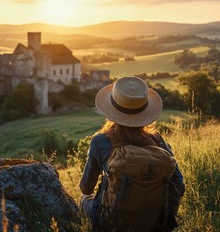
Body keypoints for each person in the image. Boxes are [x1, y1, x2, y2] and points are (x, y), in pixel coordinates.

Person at [79, 76, 185, 231]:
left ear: (111, 111)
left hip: (112, 224)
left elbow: (86, 188)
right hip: (155, 224)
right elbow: (179, 184)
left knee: (83, 200)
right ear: (145, 113)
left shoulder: (100, 142)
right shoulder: (158, 141)